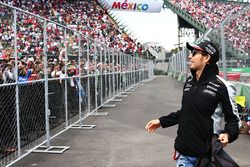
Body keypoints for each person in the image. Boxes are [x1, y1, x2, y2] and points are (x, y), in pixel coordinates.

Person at [145, 40, 240, 167]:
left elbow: (234, 121)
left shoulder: (223, 86)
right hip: (183, 154)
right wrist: (162, 121)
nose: (190, 56)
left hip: (206, 156)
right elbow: (187, 112)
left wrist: (228, 134)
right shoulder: (189, 81)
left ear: (206, 58)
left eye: (194, 53)